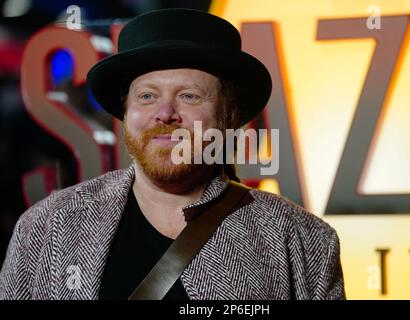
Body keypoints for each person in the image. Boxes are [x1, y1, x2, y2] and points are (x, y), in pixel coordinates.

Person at [0, 8, 345, 300]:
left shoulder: (302, 240)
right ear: (126, 112)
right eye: (147, 96)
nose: (165, 114)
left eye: (190, 96)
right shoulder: (47, 227)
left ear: (230, 113)